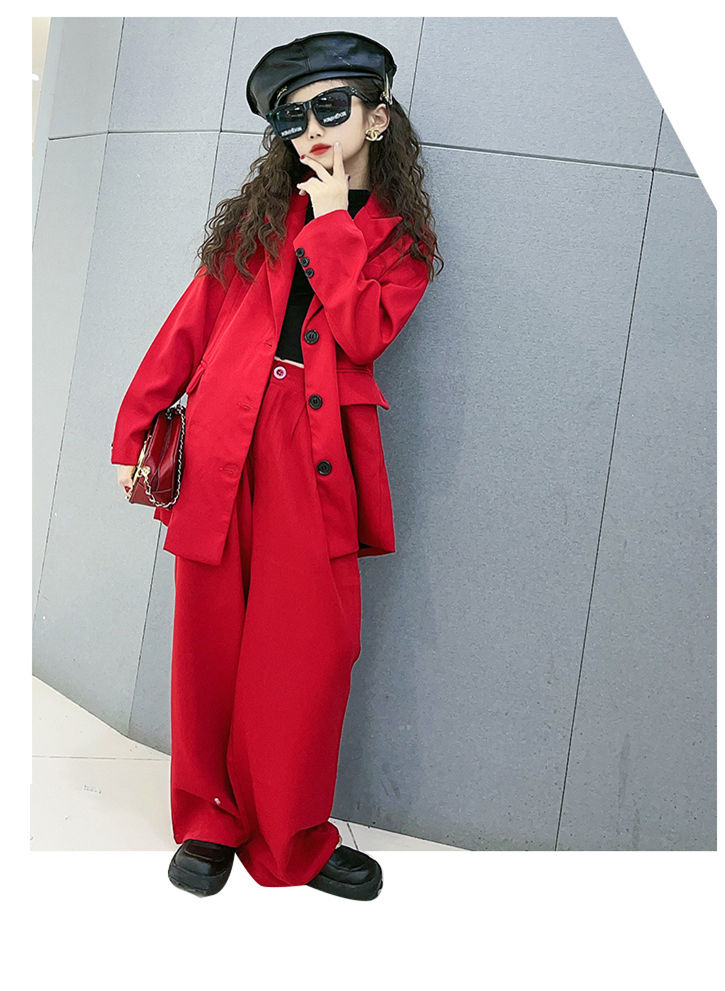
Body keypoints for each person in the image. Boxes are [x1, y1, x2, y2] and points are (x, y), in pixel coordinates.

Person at [111, 30, 441, 900]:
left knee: (307, 652)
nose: (312, 130)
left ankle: (291, 833)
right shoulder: (259, 223)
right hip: (225, 438)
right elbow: (192, 321)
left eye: (331, 108)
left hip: (314, 454)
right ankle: (209, 820)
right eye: (294, 119)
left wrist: (333, 225)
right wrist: (135, 426)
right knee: (210, 642)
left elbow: (363, 333)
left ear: (377, 118)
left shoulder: (401, 244)